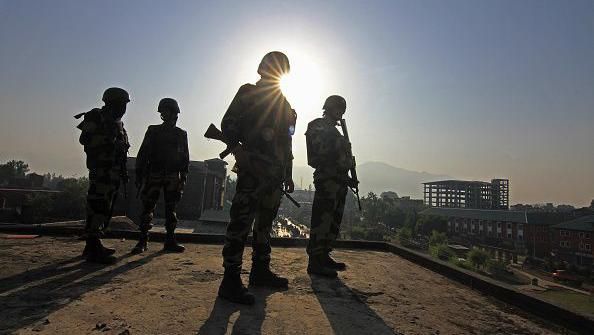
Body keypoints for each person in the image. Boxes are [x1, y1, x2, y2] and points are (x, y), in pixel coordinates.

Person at [217, 51, 296, 305]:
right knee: (241, 223)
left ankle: (260, 271)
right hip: (253, 170)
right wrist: (239, 152)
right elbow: (227, 124)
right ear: (263, 68)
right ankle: (230, 280)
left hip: (274, 174)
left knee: (264, 225)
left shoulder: (283, 102)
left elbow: (287, 141)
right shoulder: (247, 91)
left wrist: (288, 173)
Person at [75, 87, 130, 264]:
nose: (123, 108)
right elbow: (85, 139)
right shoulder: (96, 116)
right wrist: (109, 141)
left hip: (113, 172)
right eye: (121, 104)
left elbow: (122, 149)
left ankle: (92, 244)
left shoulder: (119, 124)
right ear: (112, 103)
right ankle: (93, 245)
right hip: (101, 170)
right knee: (97, 205)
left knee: (105, 208)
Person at [305, 95, 356, 277]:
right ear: (330, 108)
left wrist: (349, 174)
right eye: (339, 109)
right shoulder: (318, 126)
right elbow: (320, 153)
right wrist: (341, 149)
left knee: (333, 221)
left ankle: (324, 255)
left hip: (339, 180)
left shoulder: (336, 131)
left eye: (342, 110)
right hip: (327, 180)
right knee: (322, 220)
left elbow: (340, 158)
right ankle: (315, 260)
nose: (341, 113)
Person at [132, 98, 189, 254]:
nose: (174, 117)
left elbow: (185, 159)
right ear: (164, 114)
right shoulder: (153, 131)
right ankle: (142, 240)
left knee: (171, 210)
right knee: (148, 208)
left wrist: (183, 178)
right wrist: (139, 174)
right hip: (154, 174)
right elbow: (143, 154)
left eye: (175, 113)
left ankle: (170, 240)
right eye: (171, 113)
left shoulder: (181, 134)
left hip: (172, 176)